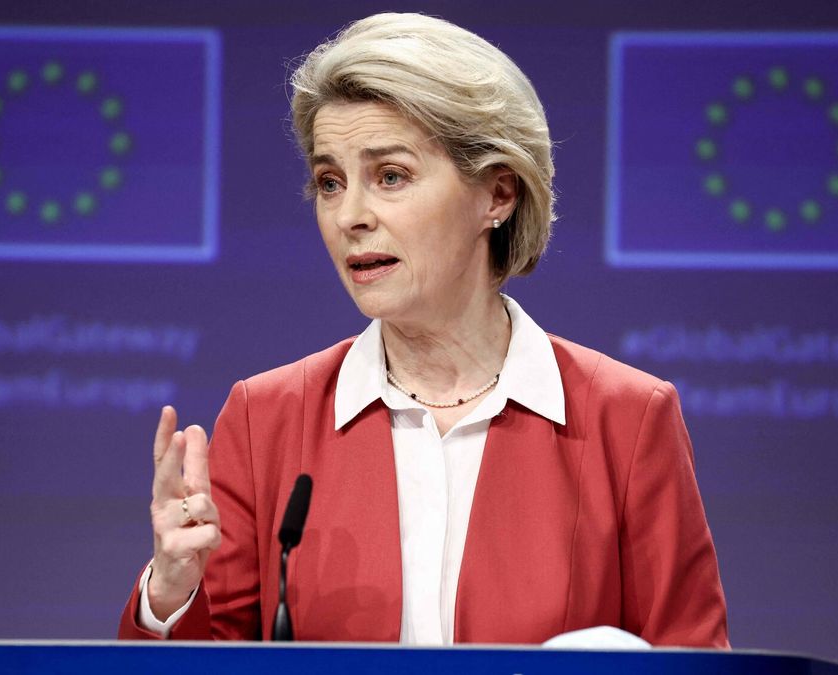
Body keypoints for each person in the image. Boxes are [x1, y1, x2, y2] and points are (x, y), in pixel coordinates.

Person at [118, 12, 728, 647]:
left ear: (498, 194)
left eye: (391, 176)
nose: (351, 215)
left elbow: (695, 660)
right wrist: (170, 591)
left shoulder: (627, 421)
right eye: (330, 182)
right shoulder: (266, 418)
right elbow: (207, 666)